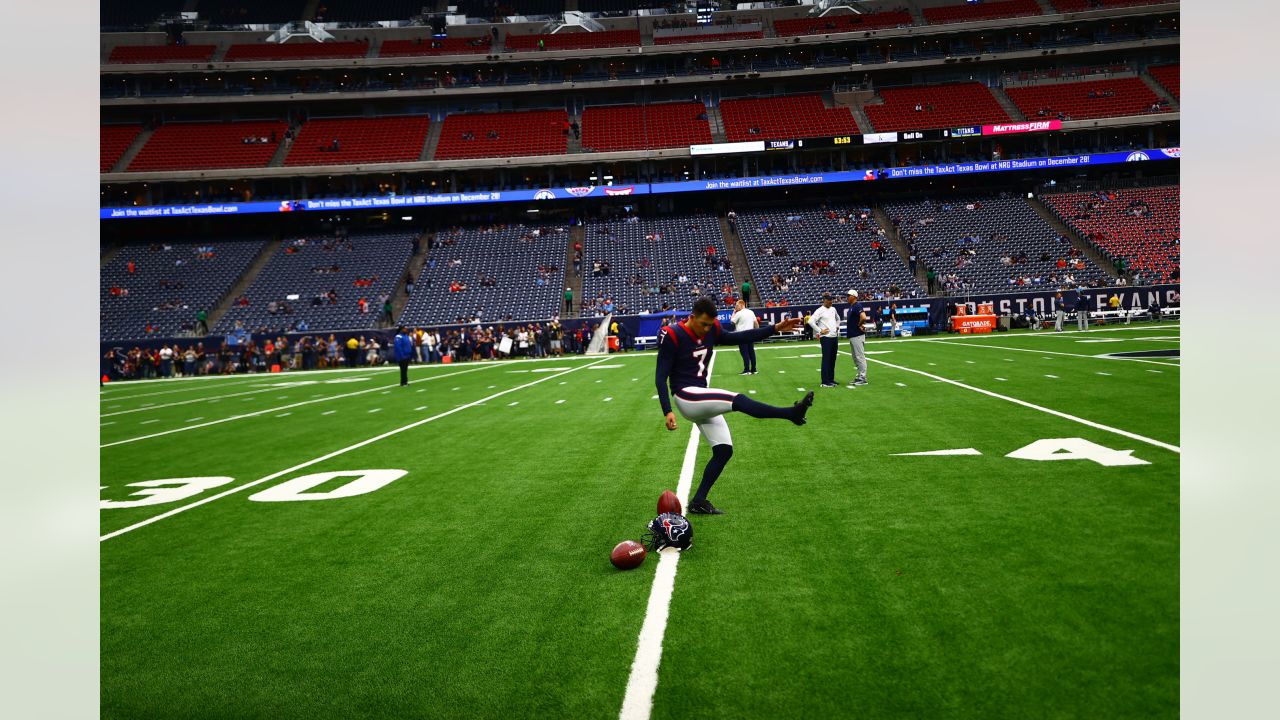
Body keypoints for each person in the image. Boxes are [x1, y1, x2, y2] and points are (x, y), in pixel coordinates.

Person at [656, 296, 812, 515]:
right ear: (691, 318)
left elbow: (740, 336)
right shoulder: (673, 334)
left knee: (723, 451)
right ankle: (791, 413)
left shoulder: (711, 328)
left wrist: (774, 328)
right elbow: (660, 377)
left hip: (701, 396)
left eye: (711, 324)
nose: (707, 329)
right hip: (686, 396)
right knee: (738, 399)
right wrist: (667, 410)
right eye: (703, 324)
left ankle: (699, 501)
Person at [809, 293, 841, 388]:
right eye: (829, 300)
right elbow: (811, 321)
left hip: (834, 337)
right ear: (824, 300)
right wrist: (820, 331)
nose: (831, 301)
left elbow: (838, 319)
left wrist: (837, 326)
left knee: (832, 359)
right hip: (826, 338)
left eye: (832, 300)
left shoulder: (833, 309)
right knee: (826, 359)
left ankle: (831, 379)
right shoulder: (820, 310)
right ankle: (825, 381)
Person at [845, 290, 869, 386]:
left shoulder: (857, 306)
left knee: (859, 356)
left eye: (849, 295)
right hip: (853, 335)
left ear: (854, 296)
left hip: (857, 335)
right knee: (856, 357)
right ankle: (859, 376)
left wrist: (859, 325)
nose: (847, 297)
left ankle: (863, 378)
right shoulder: (852, 307)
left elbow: (863, 317)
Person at [729, 300, 759, 375]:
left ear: (742, 305)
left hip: (742, 335)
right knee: (751, 352)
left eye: (737, 305)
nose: (736, 307)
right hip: (751, 334)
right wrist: (757, 332)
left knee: (744, 352)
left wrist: (734, 312)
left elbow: (732, 321)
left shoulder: (739, 313)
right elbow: (756, 323)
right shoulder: (751, 312)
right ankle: (754, 369)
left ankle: (746, 370)